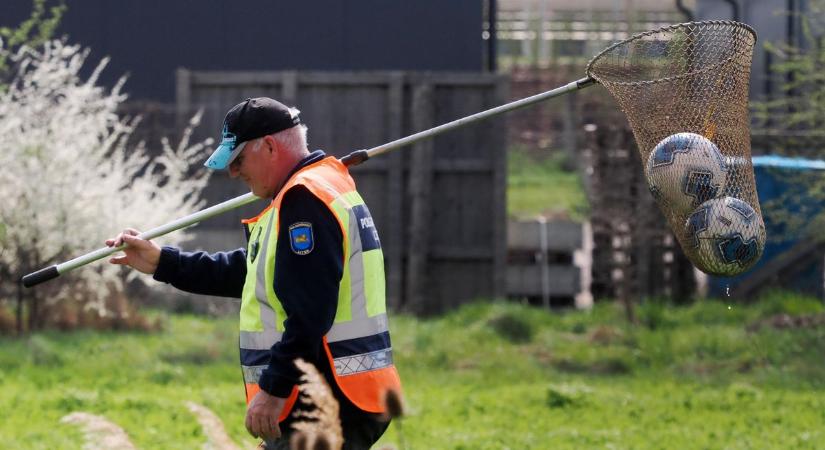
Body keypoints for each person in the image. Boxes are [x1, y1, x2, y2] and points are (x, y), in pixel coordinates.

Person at [106, 97, 402, 449]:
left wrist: (273, 391)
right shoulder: (324, 185)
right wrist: (162, 262)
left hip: (326, 395)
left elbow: (309, 314)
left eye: (239, 160)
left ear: (270, 147)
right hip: (348, 390)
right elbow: (252, 272)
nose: (234, 172)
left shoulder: (303, 199)